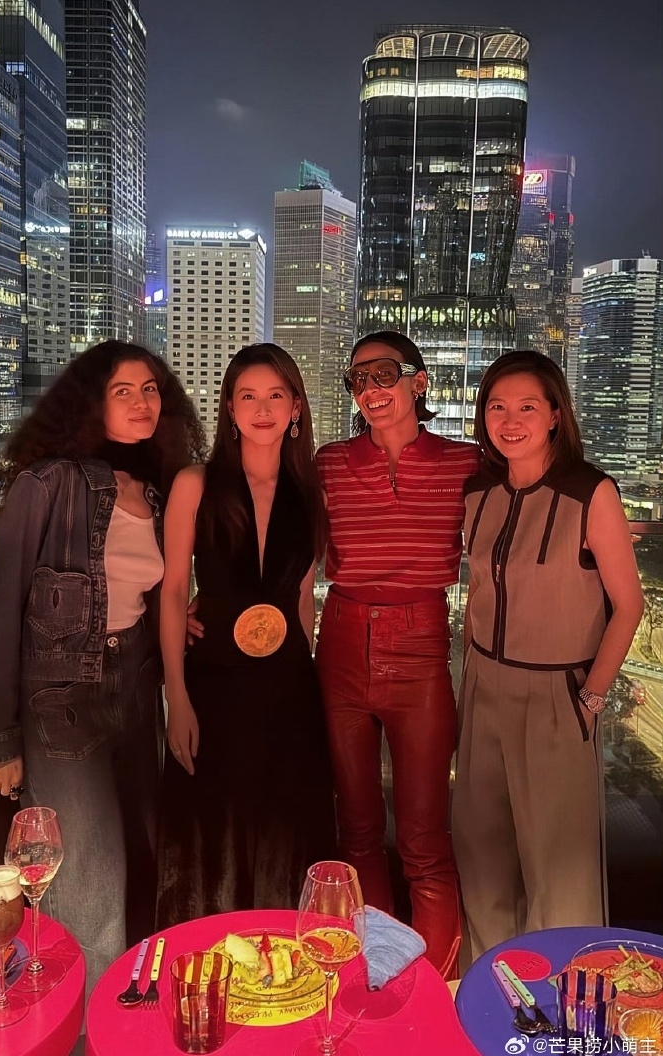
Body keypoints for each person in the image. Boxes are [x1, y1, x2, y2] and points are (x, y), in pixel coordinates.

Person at [0, 341, 205, 996]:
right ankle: (84, 1032)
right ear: (90, 402)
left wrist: (181, 618)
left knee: (141, 863)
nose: (142, 402)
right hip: (61, 703)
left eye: (151, 389)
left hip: (135, 691)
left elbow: (143, 592)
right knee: (89, 885)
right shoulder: (46, 485)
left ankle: (128, 1016)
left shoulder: (156, 490)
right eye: (122, 390)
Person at [452, 350, 644, 959]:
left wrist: (591, 698)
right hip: (483, 687)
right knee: (482, 858)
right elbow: (477, 593)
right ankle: (493, 991)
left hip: (560, 694)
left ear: (556, 414)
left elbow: (629, 604)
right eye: (497, 407)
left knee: (560, 871)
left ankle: (565, 1001)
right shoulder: (478, 492)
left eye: (527, 407)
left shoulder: (590, 492)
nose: (509, 421)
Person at [315, 330, 479, 979]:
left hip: (420, 641)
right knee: (356, 830)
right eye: (358, 380)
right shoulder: (330, 462)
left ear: (419, 381)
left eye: (383, 374)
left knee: (424, 838)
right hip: (341, 638)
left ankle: (431, 987)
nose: (370, 389)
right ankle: (371, 979)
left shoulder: (463, 462)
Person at [156, 343, 336, 924]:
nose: (263, 409)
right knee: (211, 839)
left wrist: (305, 685)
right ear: (229, 409)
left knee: (285, 834)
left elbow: (304, 597)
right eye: (248, 396)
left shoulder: (311, 493)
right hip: (213, 686)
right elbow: (173, 592)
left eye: (276, 396)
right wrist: (176, 697)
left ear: (296, 408)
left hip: (288, 690)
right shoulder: (195, 484)